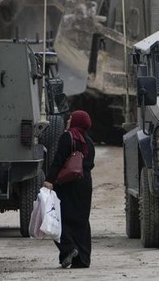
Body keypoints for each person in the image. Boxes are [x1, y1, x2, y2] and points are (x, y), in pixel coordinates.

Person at [43, 110, 96, 268]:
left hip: (67, 183)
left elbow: (58, 160)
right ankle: (83, 259)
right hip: (85, 184)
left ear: (76, 122)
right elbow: (91, 164)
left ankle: (68, 249)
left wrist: (49, 180)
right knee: (81, 221)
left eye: (71, 118)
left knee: (59, 218)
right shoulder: (89, 141)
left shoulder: (68, 137)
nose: (68, 120)